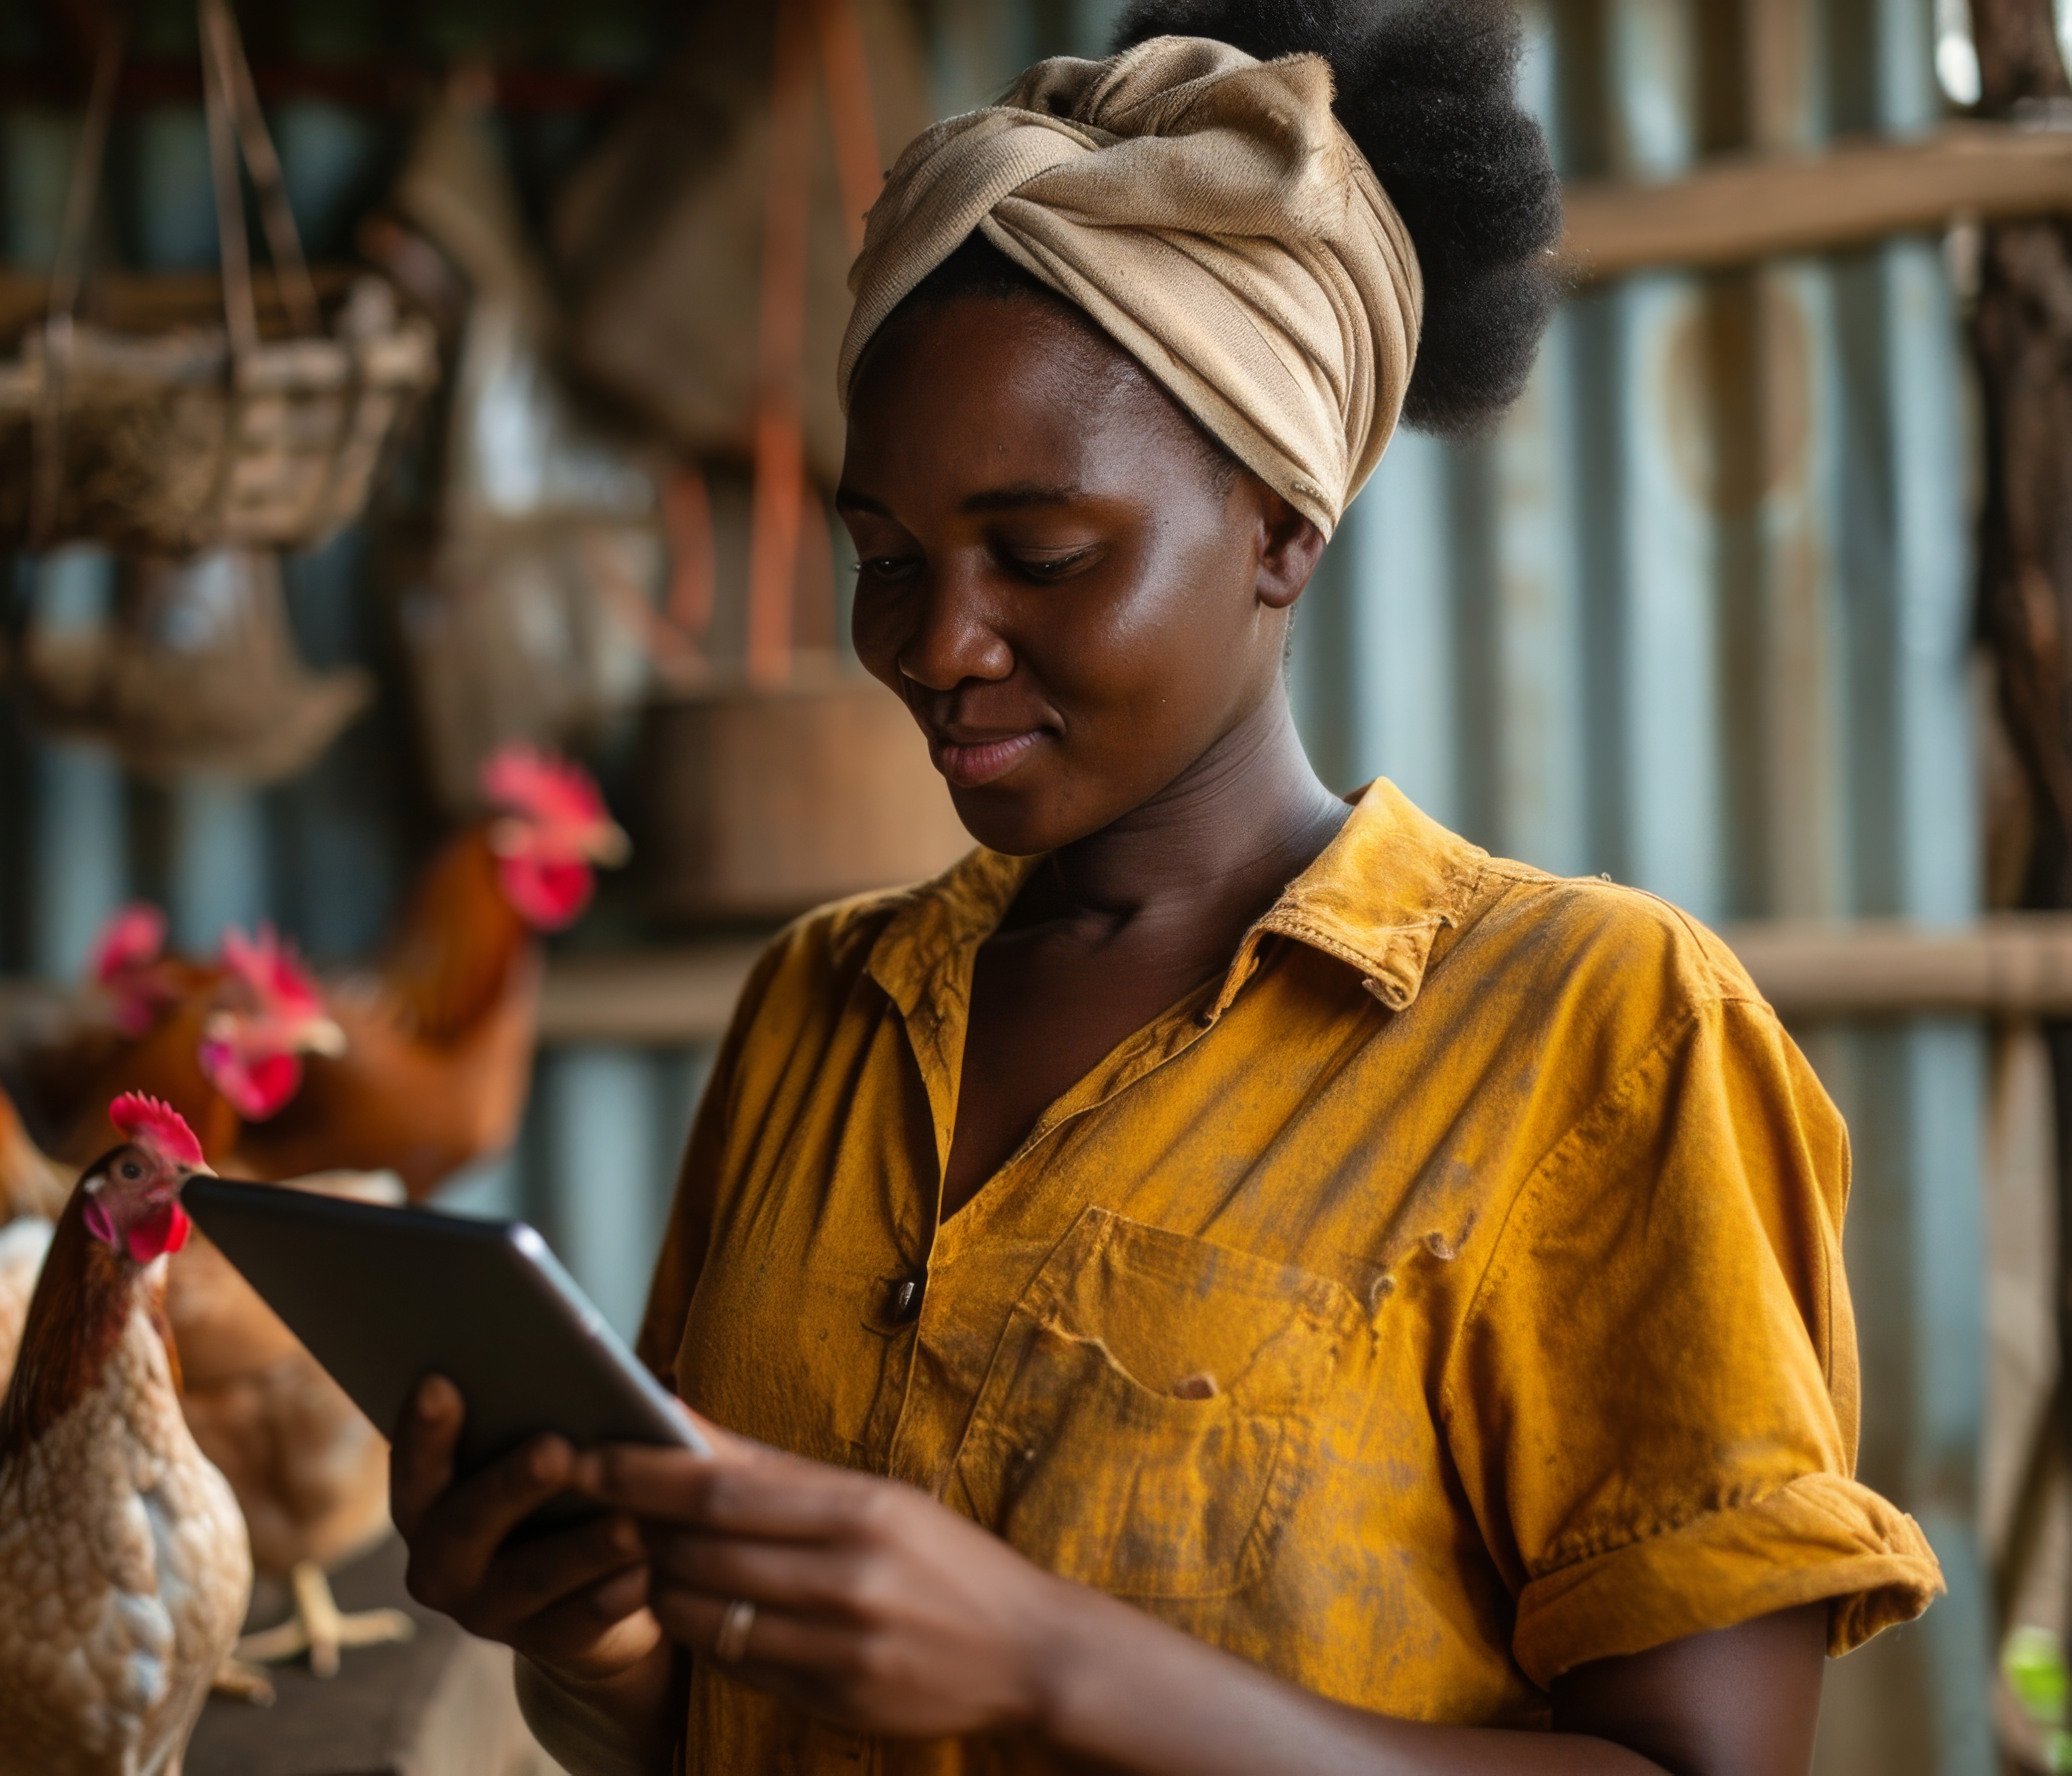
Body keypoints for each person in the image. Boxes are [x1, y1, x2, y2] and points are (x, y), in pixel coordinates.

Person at [390, 2, 1946, 1771]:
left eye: (1042, 553)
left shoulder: (1598, 1037)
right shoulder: (821, 1009)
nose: (935, 643)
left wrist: (1052, 1663)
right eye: (886, 558)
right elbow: (726, 1715)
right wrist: (596, 1643)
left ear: (1283, 528)